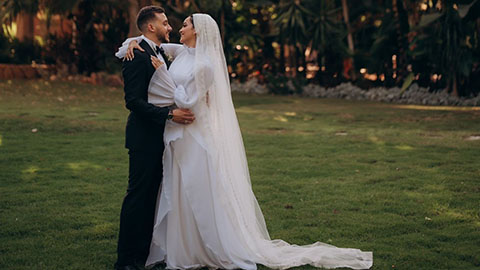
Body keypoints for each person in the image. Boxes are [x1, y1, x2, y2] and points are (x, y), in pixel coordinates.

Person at [117, 13, 373, 270]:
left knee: (194, 189)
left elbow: (187, 102)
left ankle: (202, 246)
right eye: (173, 24)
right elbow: (150, 43)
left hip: (191, 133)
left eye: (184, 25)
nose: (176, 27)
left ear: (198, 31)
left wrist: (164, 74)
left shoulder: (204, 65)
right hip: (174, 134)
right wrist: (131, 42)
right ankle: (177, 246)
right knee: (176, 191)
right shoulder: (182, 52)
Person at [114, 6, 195, 270]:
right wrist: (169, 115)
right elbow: (133, 102)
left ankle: (146, 254)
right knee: (138, 197)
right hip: (143, 138)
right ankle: (127, 260)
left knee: (155, 197)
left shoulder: (160, 51)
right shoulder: (136, 55)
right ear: (151, 27)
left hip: (164, 138)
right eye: (165, 22)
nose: (169, 27)